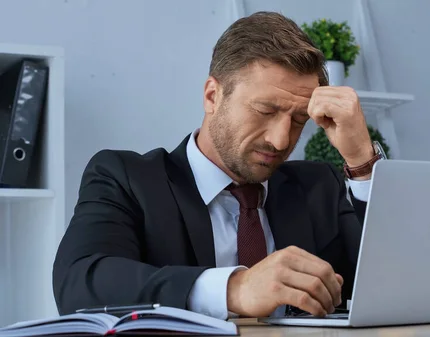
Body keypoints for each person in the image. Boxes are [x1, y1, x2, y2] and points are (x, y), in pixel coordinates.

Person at [52, 11, 385, 320]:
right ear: (212, 96)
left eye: (299, 119)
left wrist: (361, 161)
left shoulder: (319, 187)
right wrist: (234, 289)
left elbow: (394, 284)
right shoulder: (126, 179)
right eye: (266, 111)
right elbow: (80, 284)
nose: (281, 140)